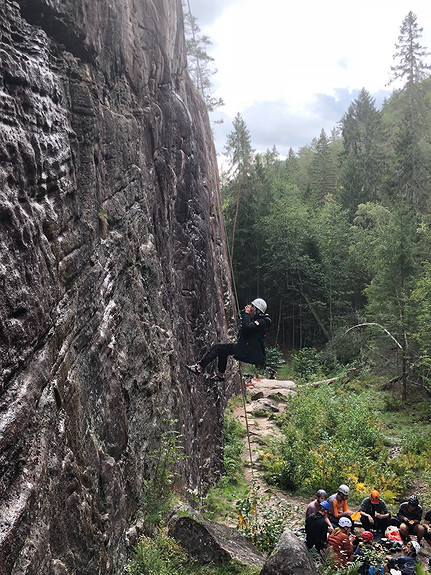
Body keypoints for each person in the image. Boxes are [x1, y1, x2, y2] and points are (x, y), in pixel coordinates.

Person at [186, 298, 271, 381]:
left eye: (252, 309)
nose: (250, 311)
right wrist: (244, 318)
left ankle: (198, 368)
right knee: (223, 350)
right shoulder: (258, 320)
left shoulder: (263, 321)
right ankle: (220, 375)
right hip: (246, 348)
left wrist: (246, 314)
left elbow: (247, 328)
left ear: (257, 310)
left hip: (249, 350)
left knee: (218, 348)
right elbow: (248, 328)